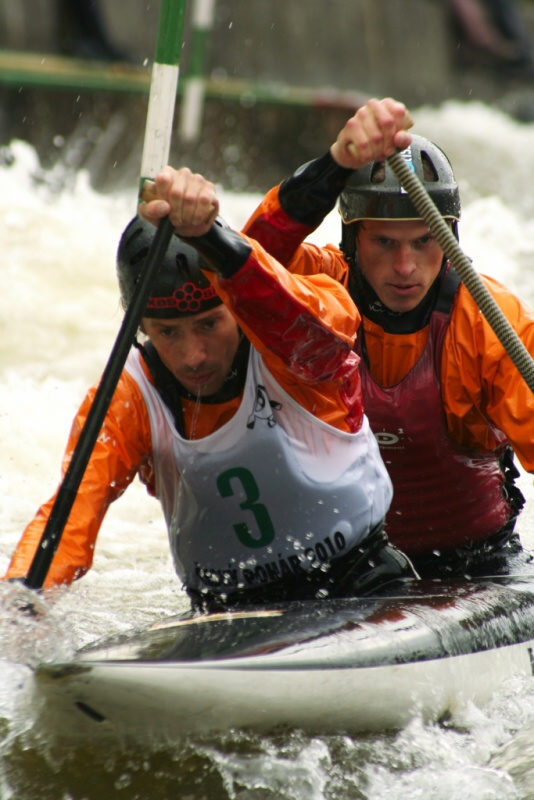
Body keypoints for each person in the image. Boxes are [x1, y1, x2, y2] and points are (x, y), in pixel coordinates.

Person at [4, 166, 416, 610]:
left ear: (234, 304)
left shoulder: (294, 338)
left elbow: (315, 323)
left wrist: (213, 240)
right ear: (141, 327)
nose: (193, 356)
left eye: (208, 323)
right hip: (224, 610)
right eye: (168, 333)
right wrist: (20, 607)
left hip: (360, 584)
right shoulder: (126, 398)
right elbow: (68, 521)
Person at [242, 96, 534, 579]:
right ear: (353, 241)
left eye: (424, 242)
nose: (405, 268)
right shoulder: (321, 288)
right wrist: (336, 165)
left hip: (475, 565)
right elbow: (246, 262)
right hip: (343, 568)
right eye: (385, 243)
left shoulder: (488, 321)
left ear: (449, 241)